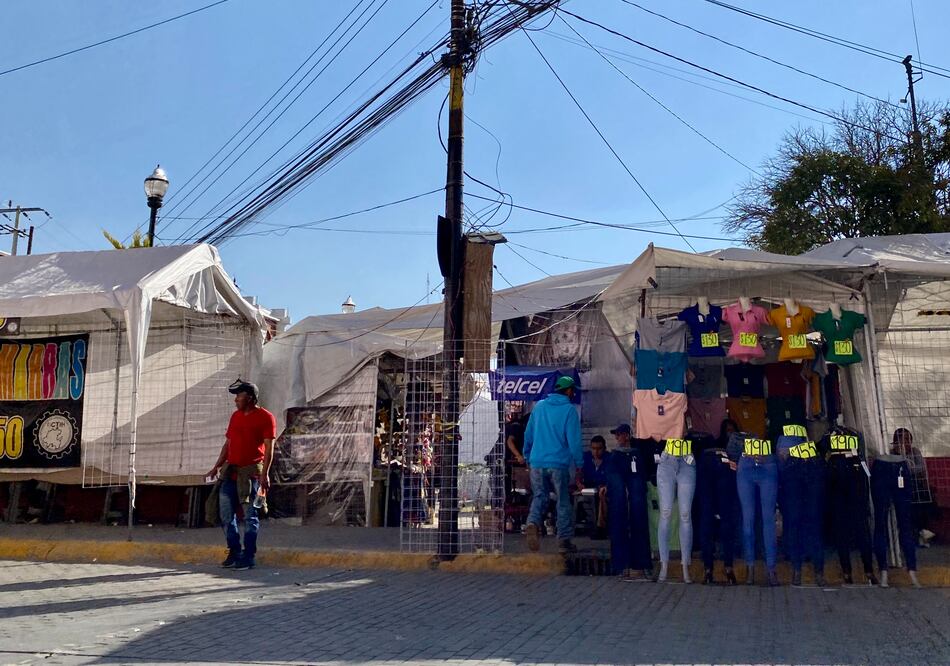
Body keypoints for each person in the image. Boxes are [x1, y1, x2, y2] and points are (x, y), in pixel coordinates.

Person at [207, 380, 277, 570]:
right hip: (230, 471)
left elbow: (269, 448)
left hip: (251, 472)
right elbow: (228, 444)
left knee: (249, 516)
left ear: (251, 398)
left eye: (239, 396)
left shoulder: (266, 417)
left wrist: (265, 474)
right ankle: (234, 550)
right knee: (225, 514)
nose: (236, 400)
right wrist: (217, 466)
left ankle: (248, 555)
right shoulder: (235, 416)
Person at [523, 376, 583, 554]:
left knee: (539, 496)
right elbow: (574, 442)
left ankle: (532, 523)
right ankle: (564, 541)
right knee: (563, 501)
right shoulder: (569, 410)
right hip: (558, 464)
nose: (573, 393)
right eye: (573, 390)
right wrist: (579, 465)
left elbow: (529, 434)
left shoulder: (539, 407)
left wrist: (527, 454)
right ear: (569, 391)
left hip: (537, 462)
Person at [605, 424, 653, 580]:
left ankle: (639, 563)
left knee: (637, 514)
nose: (617, 438)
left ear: (626, 436)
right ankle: (622, 564)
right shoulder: (615, 455)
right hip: (622, 460)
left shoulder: (638, 448)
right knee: (619, 513)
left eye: (619, 435)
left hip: (632, 459)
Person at [696, 419, 739, 585]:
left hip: (707, 462)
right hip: (722, 464)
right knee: (724, 519)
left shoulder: (715, 443)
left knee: (708, 519)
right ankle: (726, 567)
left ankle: (709, 569)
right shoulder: (729, 444)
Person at [890, 428, 936, 547]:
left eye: (908, 439)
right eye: (903, 439)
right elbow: (893, 471)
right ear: (896, 441)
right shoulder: (892, 454)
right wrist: (908, 466)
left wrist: (906, 468)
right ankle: (917, 532)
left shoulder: (915, 452)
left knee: (925, 497)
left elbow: (921, 467)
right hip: (899, 489)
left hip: (916, 487)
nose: (906, 443)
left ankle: (921, 530)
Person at [580, 435, 609, 535]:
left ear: (604, 448)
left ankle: (600, 527)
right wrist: (579, 483)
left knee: (602, 495)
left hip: (603, 488)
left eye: (599, 449)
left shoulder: (609, 459)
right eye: (593, 449)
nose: (596, 452)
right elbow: (578, 473)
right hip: (588, 486)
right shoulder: (586, 457)